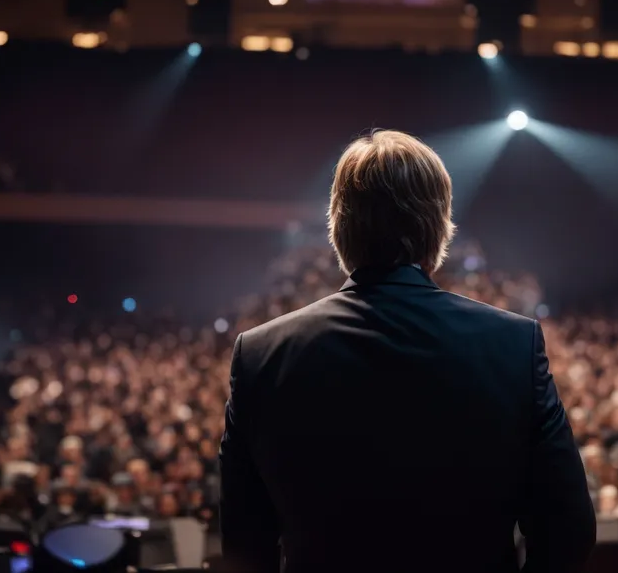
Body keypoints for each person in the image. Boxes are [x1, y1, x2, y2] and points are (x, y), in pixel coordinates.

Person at [220, 130, 595, 573]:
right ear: (439, 229)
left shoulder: (261, 354)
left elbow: (244, 544)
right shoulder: (513, 344)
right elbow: (568, 529)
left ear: (339, 229)